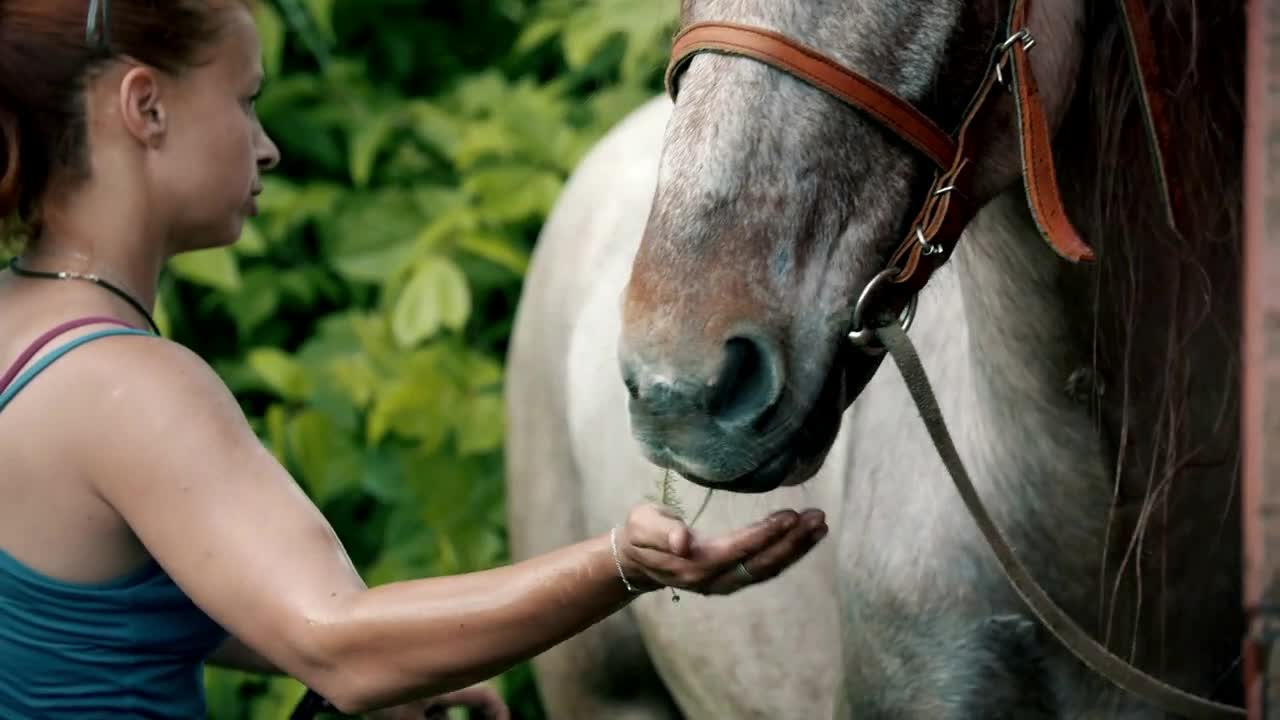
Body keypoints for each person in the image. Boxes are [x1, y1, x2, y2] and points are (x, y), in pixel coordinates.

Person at [0, 1, 831, 717]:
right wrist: (622, 563)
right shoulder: (129, 387)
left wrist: (398, 664)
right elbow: (343, 648)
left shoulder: (23, 328)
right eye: (245, 102)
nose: (266, 148)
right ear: (145, 107)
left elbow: (88, 614)